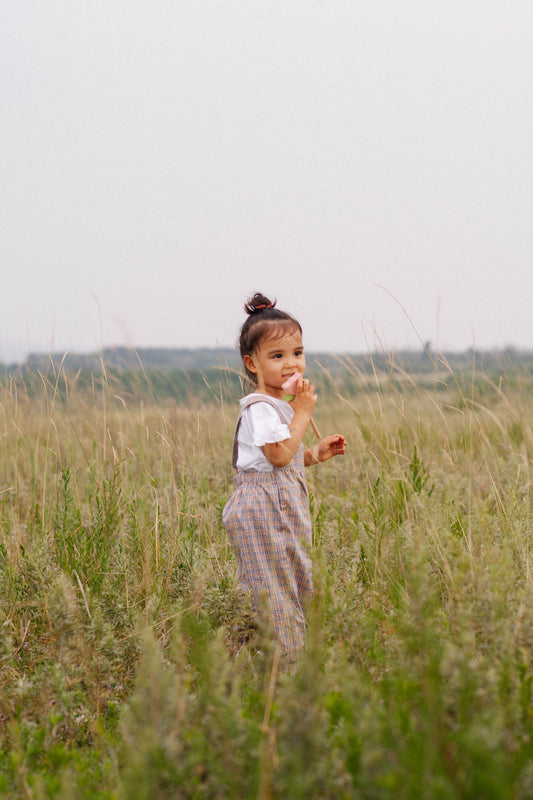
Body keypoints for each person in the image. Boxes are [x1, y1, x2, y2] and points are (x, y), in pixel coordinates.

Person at [223, 292, 346, 665]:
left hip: (281, 512)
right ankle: (283, 665)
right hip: (261, 514)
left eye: (297, 353)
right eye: (277, 357)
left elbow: (285, 458)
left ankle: (256, 656)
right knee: (273, 591)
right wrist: (304, 412)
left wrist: (314, 455)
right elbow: (276, 457)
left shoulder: (278, 407)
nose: (291, 364)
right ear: (253, 363)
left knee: (293, 580)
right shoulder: (261, 409)